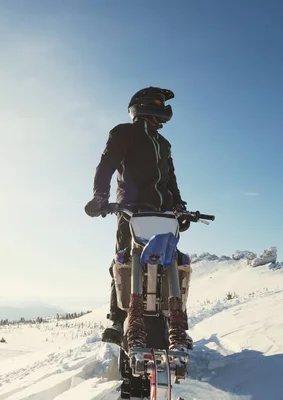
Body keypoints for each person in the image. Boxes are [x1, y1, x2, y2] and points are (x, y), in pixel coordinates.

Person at [84, 86, 188, 345]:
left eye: (161, 102)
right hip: (130, 210)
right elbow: (106, 165)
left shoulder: (163, 144)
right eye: (156, 101)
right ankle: (118, 322)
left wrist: (180, 206)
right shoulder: (124, 133)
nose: (162, 107)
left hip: (163, 213)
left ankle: (176, 324)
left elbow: (170, 180)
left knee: (173, 261)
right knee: (124, 259)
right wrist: (100, 198)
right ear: (141, 106)